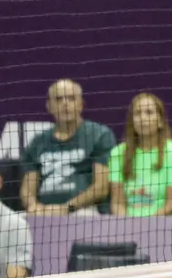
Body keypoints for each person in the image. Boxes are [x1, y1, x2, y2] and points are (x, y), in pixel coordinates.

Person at [21, 79, 115, 215]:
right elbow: (27, 189)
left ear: (81, 104)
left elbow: (101, 188)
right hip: (44, 213)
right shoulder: (38, 142)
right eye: (59, 99)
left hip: (84, 211)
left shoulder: (99, 135)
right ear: (49, 106)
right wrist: (33, 206)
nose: (65, 103)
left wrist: (67, 208)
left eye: (71, 98)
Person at [109, 93, 172, 217]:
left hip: (165, 223)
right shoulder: (118, 153)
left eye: (149, 112)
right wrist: (127, 225)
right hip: (127, 224)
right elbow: (117, 203)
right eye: (137, 113)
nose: (143, 118)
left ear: (160, 121)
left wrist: (148, 225)